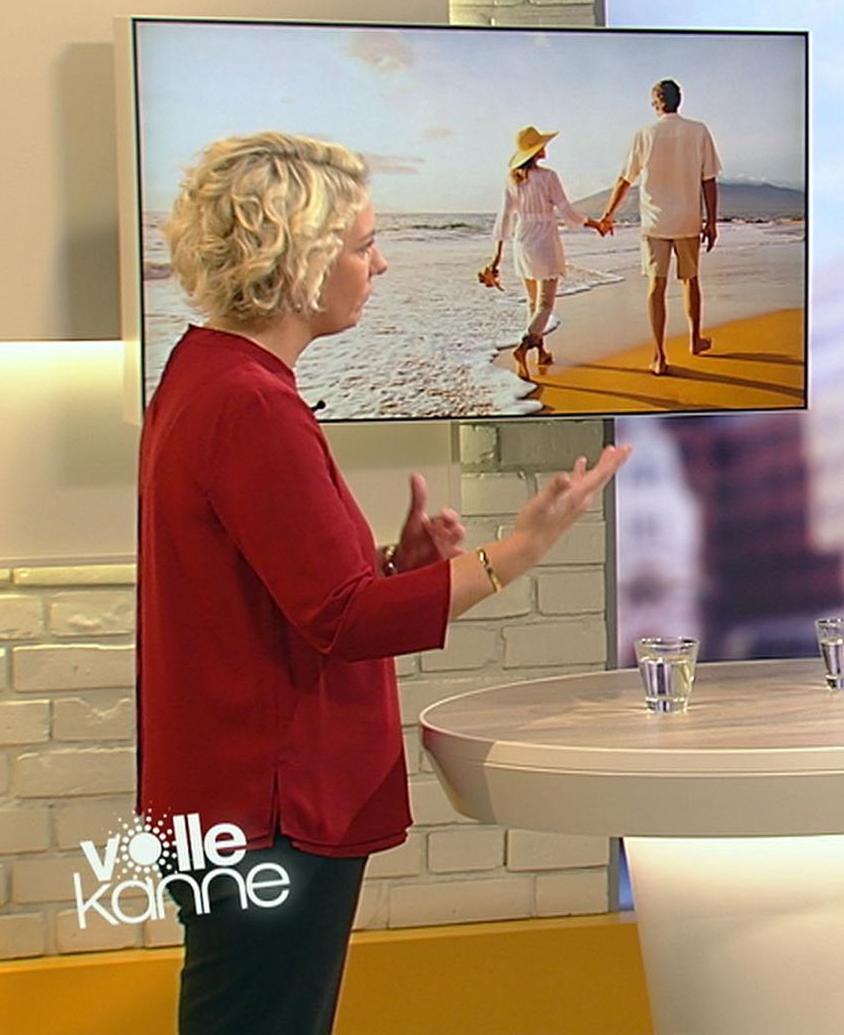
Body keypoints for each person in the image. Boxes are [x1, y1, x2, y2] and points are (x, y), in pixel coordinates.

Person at [143, 131, 631, 1035]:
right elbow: (345, 621)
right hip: (272, 805)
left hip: (234, 792)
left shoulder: (204, 372)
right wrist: (521, 549)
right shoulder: (250, 402)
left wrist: (396, 572)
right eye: (365, 245)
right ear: (300, 258)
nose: (381, 264)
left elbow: (281, 593)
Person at [597, 79, 721, 376]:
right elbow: (709, 180)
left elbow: (625, 179)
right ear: (679, 100)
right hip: (688, 220)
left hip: (655, 223)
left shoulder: (644, 134)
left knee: (656, 286)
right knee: (690, 281)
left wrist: (608, 215)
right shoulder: (698, 130)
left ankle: (659, 356)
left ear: (656, 103)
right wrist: (712, 221)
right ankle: (695, 340)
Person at [483, 125, 610, 377]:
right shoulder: (548, 177)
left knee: (533, 303)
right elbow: (567, 212)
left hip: (522, 241)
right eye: (542, 145)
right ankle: (523, 347)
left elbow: (504, 218)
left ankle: (541, 352)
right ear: (535, 151)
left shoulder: (512, 179)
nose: (546, 148)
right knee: (545, 305)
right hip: (544, 242)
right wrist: (595, 224)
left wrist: (496, 258)